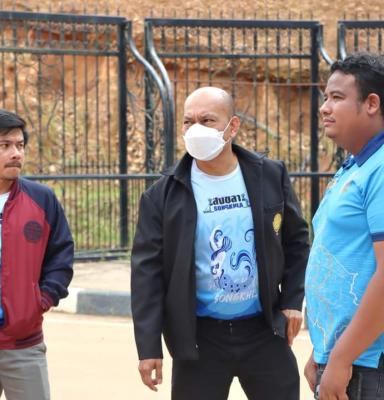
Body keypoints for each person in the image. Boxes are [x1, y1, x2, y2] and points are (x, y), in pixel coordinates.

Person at [131, 86, 309, 399]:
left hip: (264, 331)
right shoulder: (163, 195)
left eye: (207, 120)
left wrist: (292, 300)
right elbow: (147, 274)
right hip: (200, 339)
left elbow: (296, 241)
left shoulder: (269, 175)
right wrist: (148, 348)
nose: (195, 129)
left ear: (233, 126)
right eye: (188, 122)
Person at [304, 53, 384, 400]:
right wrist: (322, 348)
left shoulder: (380, 169)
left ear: (371, 104)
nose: (325, 108)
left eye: (337, 97)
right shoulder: (354, 167)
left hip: (367, 364)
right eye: (325, 98)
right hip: (347, 357)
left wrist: (341, 357)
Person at [0, 108, 74, 400]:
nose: (16, 153)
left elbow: (61, 256)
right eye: (5, 145)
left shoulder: (41, 199)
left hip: (24, 345)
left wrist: (41, 300)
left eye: (20, 145)